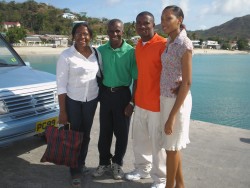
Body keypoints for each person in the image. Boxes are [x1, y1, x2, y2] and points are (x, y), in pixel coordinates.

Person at [56, 22, 102, 188]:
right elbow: (61, 85)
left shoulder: (95, 53)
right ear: (73, 35)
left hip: (91, 100)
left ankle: (81, 164)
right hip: (73, 101)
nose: (82, 37)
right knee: (74, 135)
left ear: (90, 36)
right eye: (78, 33)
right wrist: (63, 111)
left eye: (86, 34)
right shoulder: (66, 56)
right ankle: (74, 170)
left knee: (86, 134)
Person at [125, 11, 167, 188]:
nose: (142, 26)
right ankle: (142, 170)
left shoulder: (164, 44)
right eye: (139, 23)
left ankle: (161, 179)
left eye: (146, 23)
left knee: (158, 145)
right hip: (140, 103)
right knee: (140, 141)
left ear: (153, 24)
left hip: (157, 105)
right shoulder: (138, 46)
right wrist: (133, 102)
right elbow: (139, 77)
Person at [92, 19, 137, 180]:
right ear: (107, 32)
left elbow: (137, 79)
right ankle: (104, 162)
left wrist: (132, 102)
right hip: (105, 95)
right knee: (104, 132)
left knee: (122, 133)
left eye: (117, 31)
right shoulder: (100, 50)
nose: (114, 34)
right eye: (111, 31)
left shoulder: (131, 52)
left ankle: (117, 163)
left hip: (123, 95)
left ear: (122, 31)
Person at [160, 5, 193, 188]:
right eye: (163, 18)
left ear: (179, 20)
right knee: (172, 147)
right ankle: (180, 185)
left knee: (171, 149)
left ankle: (169, 186)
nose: (163, 22)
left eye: (168, 18)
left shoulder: (184, 44)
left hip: (176, 103)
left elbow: (187, 82)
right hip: (166, 98)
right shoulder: (170, 41)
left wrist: (172, 116)